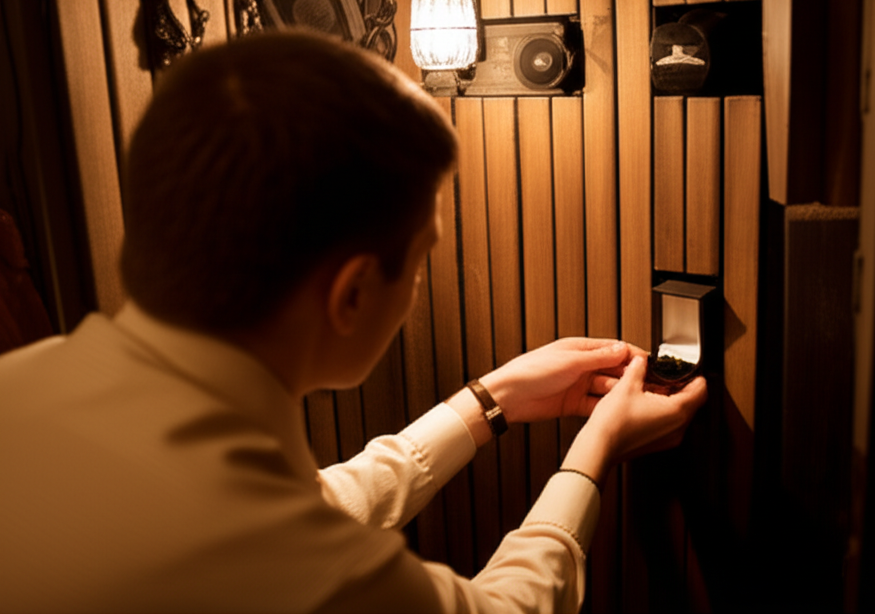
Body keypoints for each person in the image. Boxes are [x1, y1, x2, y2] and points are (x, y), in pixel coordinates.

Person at [0, 30, 706, 613]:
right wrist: (594, 452)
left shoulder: (22, 387)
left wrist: (488, 401)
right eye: (421, 259)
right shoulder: (294, 565)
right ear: (352, 293)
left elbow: (313, 502)